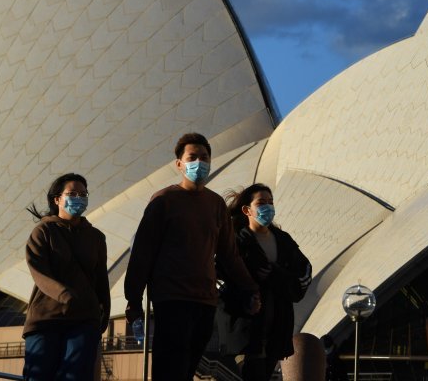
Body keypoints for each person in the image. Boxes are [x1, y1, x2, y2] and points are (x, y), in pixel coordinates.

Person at [124, 132, 261, 381]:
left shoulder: (216, 204)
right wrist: (133, 300)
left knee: (188, 370)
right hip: (171, 298)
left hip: (205, 300)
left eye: (204, 157)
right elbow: (143, 253)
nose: (199, 162)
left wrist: (251, 288)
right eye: (193, 157)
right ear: (179, 164)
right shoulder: (164, 200)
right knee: (170, 370)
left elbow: (230, 254)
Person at [23, 173, 110, 381]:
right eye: (72, 193)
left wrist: (104, 311)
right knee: (39, 375)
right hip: (46, 317)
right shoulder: (43, 231)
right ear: (57, 199)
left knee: (76, 374)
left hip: (84, 318)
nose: (78, 198)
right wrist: (64, 295)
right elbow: (38, 271)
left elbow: (100, 277)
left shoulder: (96, 237)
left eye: (83, 194)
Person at [225, 183, 312, 381]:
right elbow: (221, 278)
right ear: (247, 210)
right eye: (261, 203)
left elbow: (304, 272)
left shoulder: (283, 239)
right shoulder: (235, 241)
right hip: (247, 328)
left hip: (277, 326)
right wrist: (245, 298)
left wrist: (277, 274)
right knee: (253, 373)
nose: (268, 207)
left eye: (270, 202)